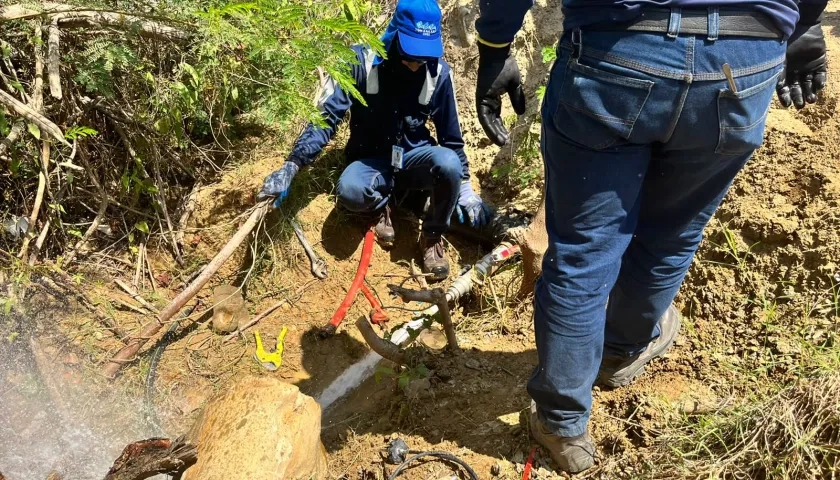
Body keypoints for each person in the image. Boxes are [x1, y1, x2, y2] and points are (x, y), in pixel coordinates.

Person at [474, 0, 828, 473]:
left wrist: (495, 43)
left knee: (584, 250)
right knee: (674, 231)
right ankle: (620, 349)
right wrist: (801, 27)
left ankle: (562, 424)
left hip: (617, 50)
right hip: (744, 60)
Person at [258, 0, 492, 281]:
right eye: (411, 55)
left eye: (424, 57)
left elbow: (451, 138)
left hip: (414, 159)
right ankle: (381, 207)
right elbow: (325, 119)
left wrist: (465, 188)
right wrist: (293, 165)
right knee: (351, 191)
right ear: (395, 34)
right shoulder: (359, 62)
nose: (417, 65)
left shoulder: (438, 72)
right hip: (371, 160)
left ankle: (431, 236)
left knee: (449, 164)